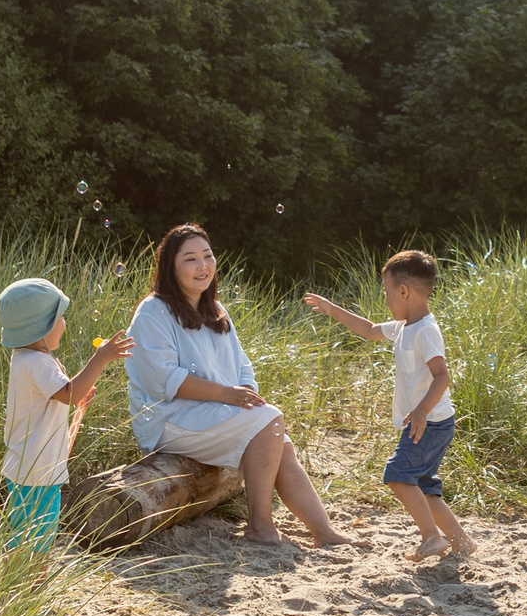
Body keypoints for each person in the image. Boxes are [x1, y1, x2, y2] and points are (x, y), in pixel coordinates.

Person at [127, 223, 362, 551]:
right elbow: (161, 380)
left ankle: (323, 530)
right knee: (271, 422)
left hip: (214, 411)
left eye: (207, 256)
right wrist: (227, 395)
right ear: (170, 267)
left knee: (279, 441)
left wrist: (245, 395)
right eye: (190, 259)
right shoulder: (153, 312)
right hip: (169, 419)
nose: (202, 266)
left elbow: (242, 366)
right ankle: (260, 527)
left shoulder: (216, 310)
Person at [305, 251, 477, 563]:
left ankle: (431, 537)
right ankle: (460, 541)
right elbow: (370, 330)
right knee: (422, 486)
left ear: (403, 291)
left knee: (397, 475)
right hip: (432, 422)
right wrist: (332, 310)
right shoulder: (402, 327)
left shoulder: (425, 330)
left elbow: (442, 375)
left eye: (386, 292)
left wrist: (422, 411)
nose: (385, 298)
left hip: (430, 422)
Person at [0, 276, 133, 552]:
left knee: (31, 538)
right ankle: (29, 588)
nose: (65, 323)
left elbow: (63, 399)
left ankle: (27, 585)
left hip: (30, 469)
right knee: (35, 542)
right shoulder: (37, 363)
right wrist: (100, 359)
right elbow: (68, 394)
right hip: (35, 474)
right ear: (42, 326)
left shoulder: (27, 359)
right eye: (61, 317)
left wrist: (79, 403)